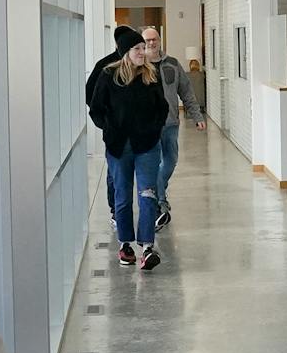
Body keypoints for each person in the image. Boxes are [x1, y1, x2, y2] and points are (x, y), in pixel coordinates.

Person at [89, 32, 167, 269]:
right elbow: (96, 109)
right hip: (119, 147)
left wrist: (154, 129)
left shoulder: (151, 75)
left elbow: (162, 108)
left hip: (147, 147)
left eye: (143, 48)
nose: (143, 52)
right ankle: (125, 245)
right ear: (126, 53)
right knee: (122, 196)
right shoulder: (108, 75)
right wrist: (109, 129)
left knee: (147, 194)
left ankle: (147, 247)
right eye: (137, 49)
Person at [139, 26, 204, 230]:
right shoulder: (138, 66)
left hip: (170, 123)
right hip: (148, 126)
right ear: (142, 43)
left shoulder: (173, 64)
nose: (151, 43)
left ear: (160, 40)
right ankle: (160, 202)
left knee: (170, 161)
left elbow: (186, 91)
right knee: (153, 164)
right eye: (147, 40)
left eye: (154, 39)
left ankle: (159, 194)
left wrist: (197, 116)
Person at [86, 25, 141, 222]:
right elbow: (90, 95)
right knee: (115, 173)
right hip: (116, 134)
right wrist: (107, 123)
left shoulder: (141, 65)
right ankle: (115, 210)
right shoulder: (105, 66)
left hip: (141, 133)